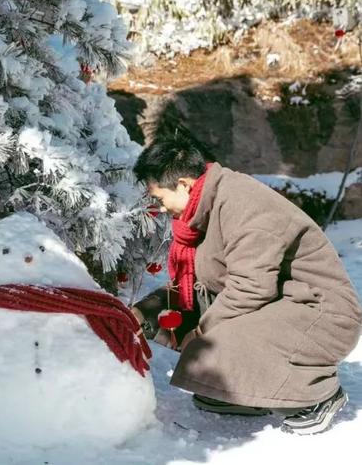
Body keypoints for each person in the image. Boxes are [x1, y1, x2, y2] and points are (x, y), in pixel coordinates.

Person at [130, 129, 362, 435]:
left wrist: (200, 334)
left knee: (210, 342)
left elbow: (251, 288)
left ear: (184, 184)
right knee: (164, 317)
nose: (159, 208)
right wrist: (144, 313)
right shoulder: (207, 206)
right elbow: (202, 285)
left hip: (320, 315)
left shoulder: (243, 202)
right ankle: (251, 395)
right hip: (278, 305)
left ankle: (316, 396)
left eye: (159, 197)